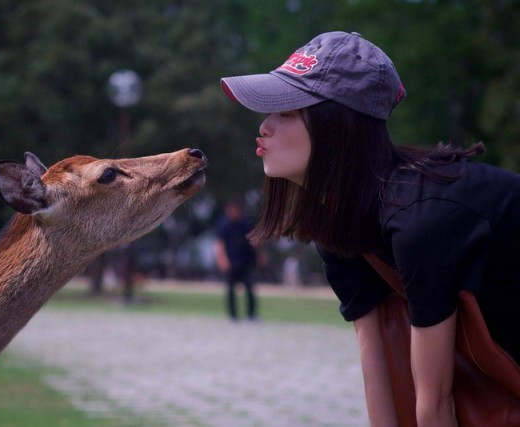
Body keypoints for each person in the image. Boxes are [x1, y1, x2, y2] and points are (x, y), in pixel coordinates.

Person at [220, 31, 519, 427]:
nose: (265, 126)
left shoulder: (421, 220)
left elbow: (435, 401)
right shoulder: (337, 222)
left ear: (337, 127)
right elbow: (378, 363)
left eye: (287, 112)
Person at [214, 197, 258, 321]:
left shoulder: (246, 223)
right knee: (230, 289)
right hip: (231, 261)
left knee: (249, 287)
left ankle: (251, 314)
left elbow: (254, 240)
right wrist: (222, 259)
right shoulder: (223, 223)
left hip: (245, 260)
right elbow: (219, 243)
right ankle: (232, 315)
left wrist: (260, 254)